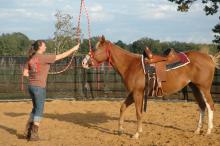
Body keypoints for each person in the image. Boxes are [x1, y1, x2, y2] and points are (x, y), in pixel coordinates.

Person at [23, 40, 79, 141]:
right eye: (44, 46)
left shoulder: (31, 58)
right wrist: (74, 49)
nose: (46, 47)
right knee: (39, 110)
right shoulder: (44, 58)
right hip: (39, 87)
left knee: (35, 108)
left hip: (31, 86)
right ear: (40, 47)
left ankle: (29, 131)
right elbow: (61, 56)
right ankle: (33, 134)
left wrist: (36, 75)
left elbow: (25, 74)